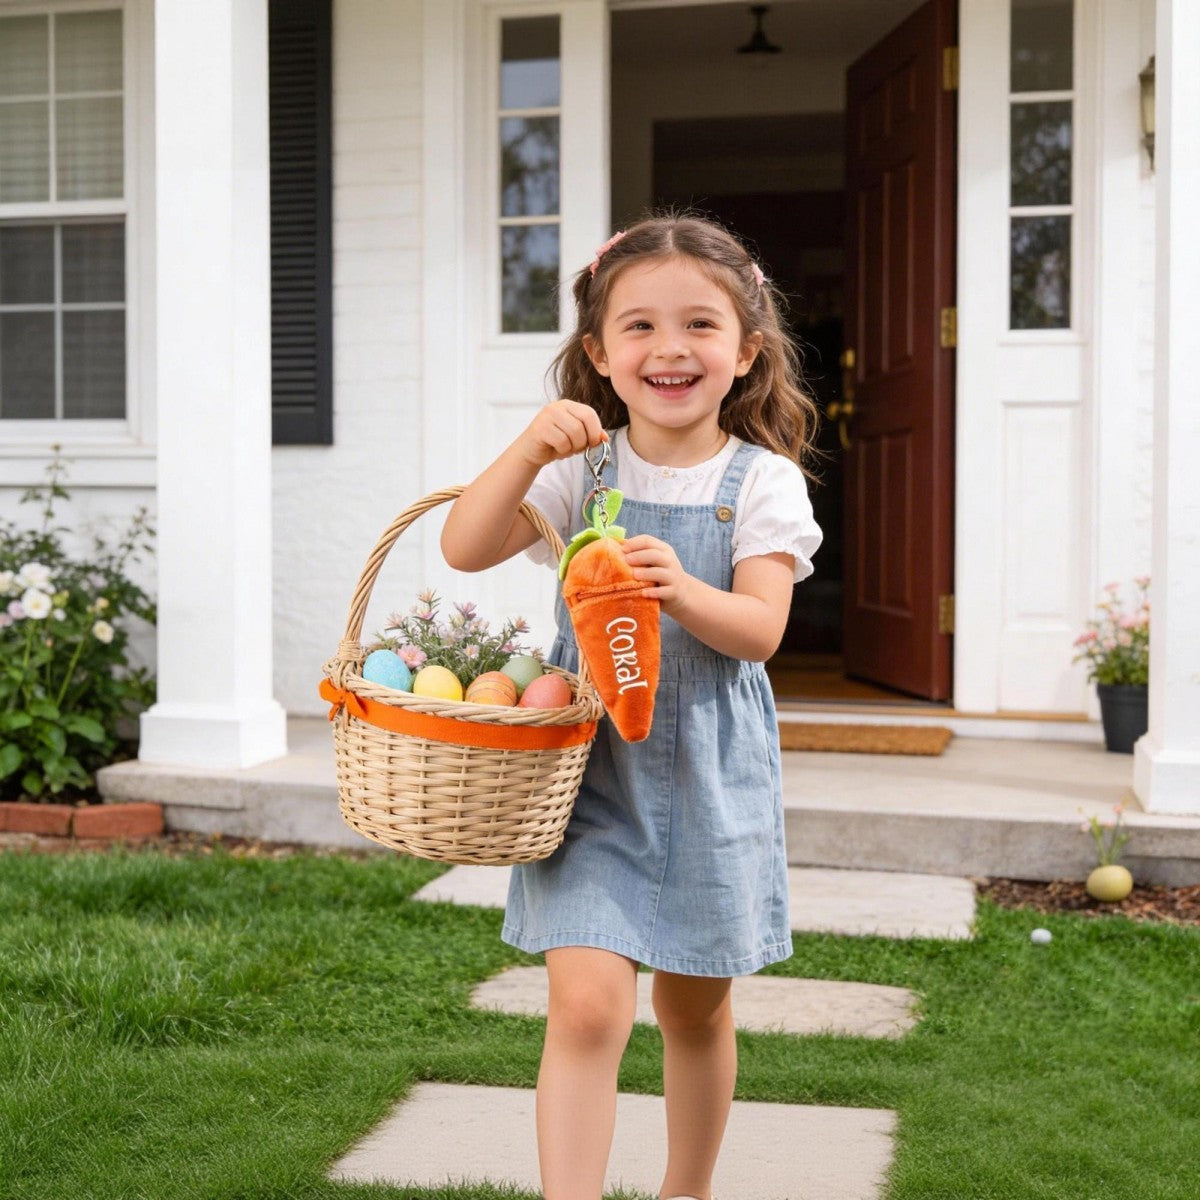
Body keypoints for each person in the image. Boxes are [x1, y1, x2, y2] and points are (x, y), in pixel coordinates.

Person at [441, 213, 823, 1200]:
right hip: (594, 783)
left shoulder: (762, 484)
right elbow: (465, 546)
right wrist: (528, 449)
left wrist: (685, 593)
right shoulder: (581, 473)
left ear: (744, 353)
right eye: (641, 326)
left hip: (710, 780)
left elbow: (762, 629)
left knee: (694, 1011)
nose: (670, 347)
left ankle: (684, 1189)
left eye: (699, 325)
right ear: (600, 356)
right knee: (586, 1009)